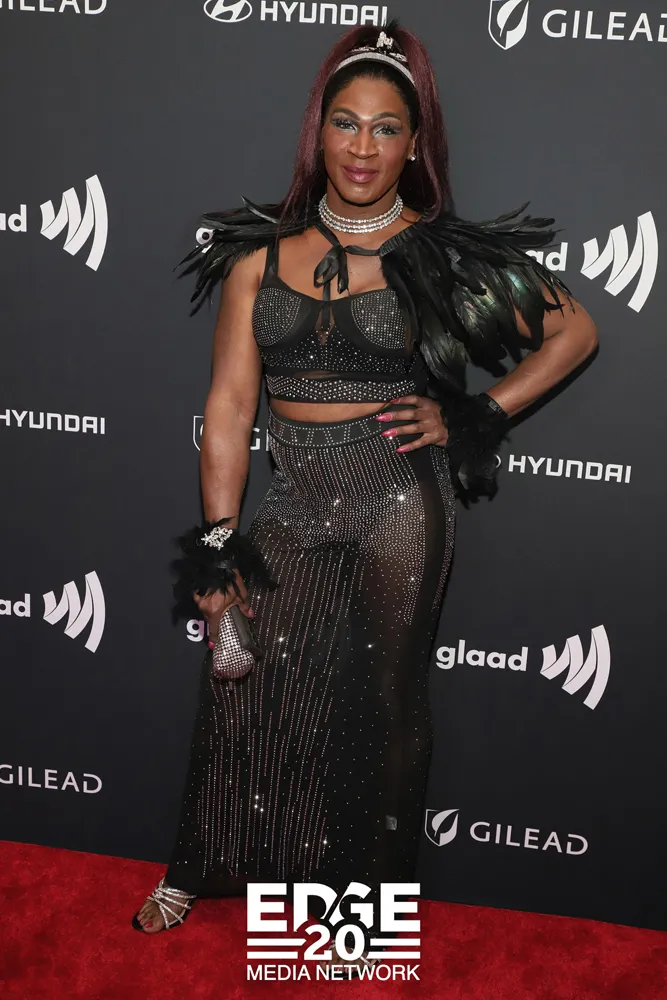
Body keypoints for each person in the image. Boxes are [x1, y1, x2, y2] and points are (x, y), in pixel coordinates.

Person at [132, 19, 598, 974]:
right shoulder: (258, 258)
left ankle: (364, 916)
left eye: (386, 128)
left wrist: (478, 413)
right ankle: (200, 867)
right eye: (345, 123)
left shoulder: (440, 254)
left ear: (414, 144)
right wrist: (219, 543)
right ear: (321, 132)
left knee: (384, 699)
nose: (362, 146)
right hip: (294, 496)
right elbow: (229, 408)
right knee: (244, 680)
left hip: (397, 497)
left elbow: (574, 331)